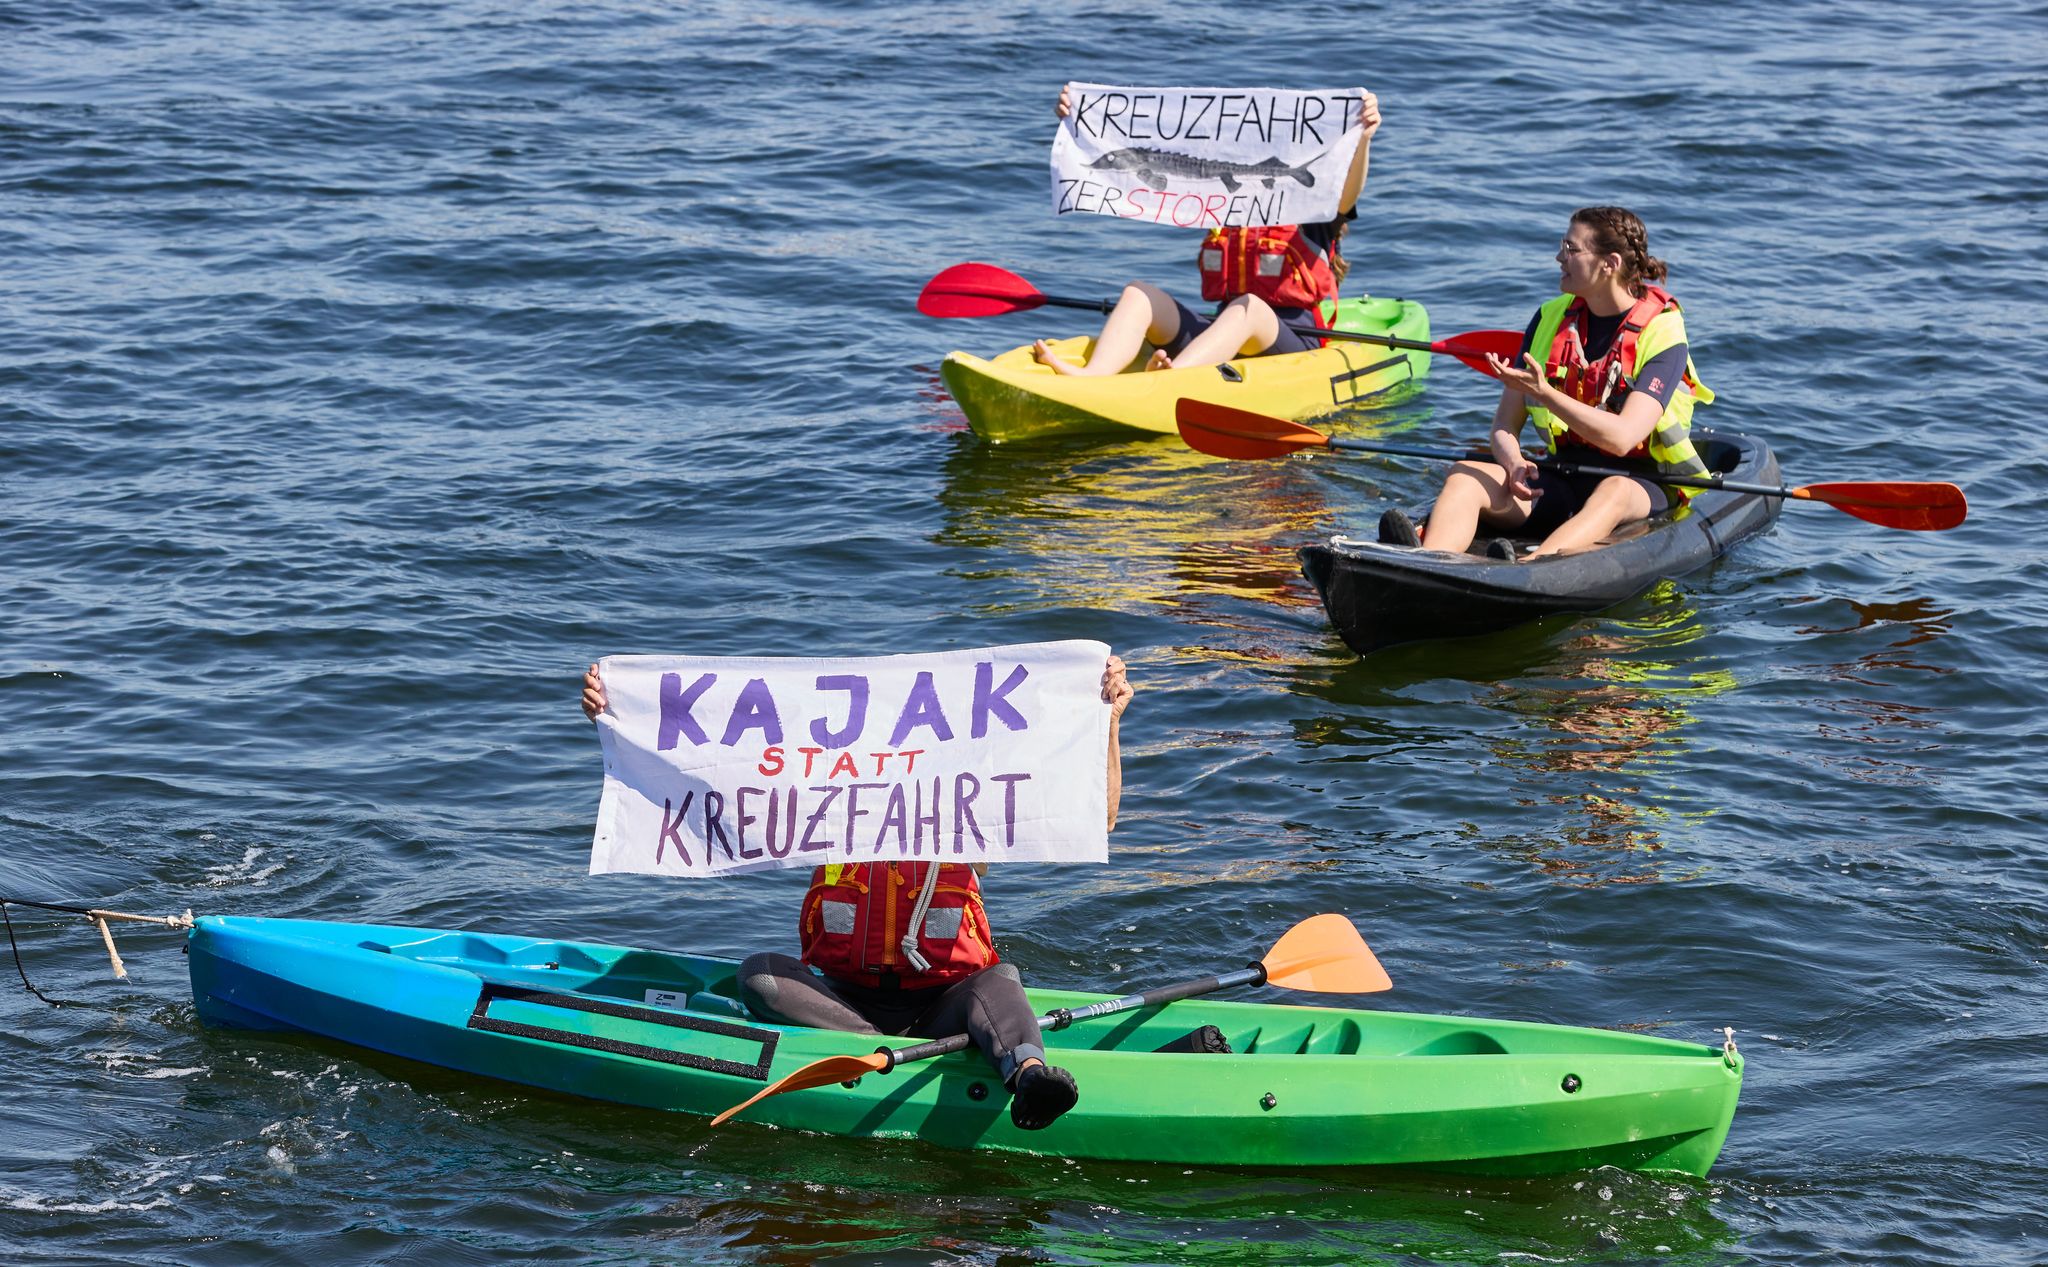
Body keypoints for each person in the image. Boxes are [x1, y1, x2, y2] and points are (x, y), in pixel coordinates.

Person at [580, 654, 1134, 1132]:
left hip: (945, 1003)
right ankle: (879, 1049)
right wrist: (622, 718)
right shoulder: (825, 806)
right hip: (843, 1001)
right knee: (758, 974)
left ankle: (1031, 1078)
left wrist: (1107, 721)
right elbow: (708, 777)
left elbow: (1096, 819)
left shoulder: (966, 817)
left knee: (1001, 979)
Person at [1384, 206, 1715, 561]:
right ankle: (1428, 563)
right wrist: (1512, 463)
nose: (1560, 257)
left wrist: (1545, 394)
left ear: (1610, 263)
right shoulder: (1549, 318)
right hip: (1563, 476)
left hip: (1642, 483)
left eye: (1572, 250)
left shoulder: (1662, 333)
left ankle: (1529, 568)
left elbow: (1622, 438)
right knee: (1466, 474)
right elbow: (1504, 423)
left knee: (1614, 491)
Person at [1032, 85, 1381, 376]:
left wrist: (1363, 138)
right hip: (1220, 337)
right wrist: (1082, 121)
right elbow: (1133, 170)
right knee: (1138, 294)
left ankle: (1171, 380)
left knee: (1250, 306)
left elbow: (1348, 193)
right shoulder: (1222, 199)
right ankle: (1093, 376)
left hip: (1292, 343)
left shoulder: (1314, 203)